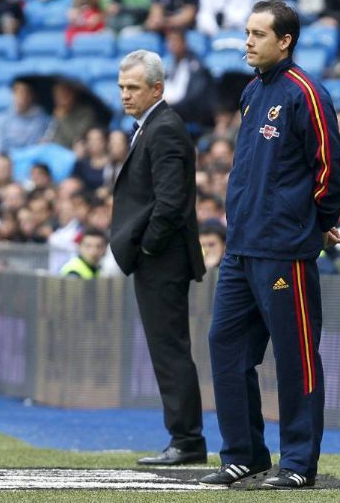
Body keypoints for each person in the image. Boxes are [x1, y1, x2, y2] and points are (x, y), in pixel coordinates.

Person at [200, 0, 340, 489]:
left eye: (257, 34)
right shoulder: (250, 92)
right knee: (225, 345)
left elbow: (331, 171)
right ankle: (244, 454)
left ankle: (299, 463)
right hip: (241, 247)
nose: (247, 42)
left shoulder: (307, 93)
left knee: (295, 355)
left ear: (284, 40)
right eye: (246, 33)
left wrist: (316, 224)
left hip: (285, 250)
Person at [111, 50, 207, 466]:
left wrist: (147, 248)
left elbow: (170, 203)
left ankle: (186, 440)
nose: (125, 96)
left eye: (133, 88)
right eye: (121, 88)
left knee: (169, 350)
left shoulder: (164, 129)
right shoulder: (153, 127)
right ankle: (184, 437)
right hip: (158, 258)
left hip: (162, 259)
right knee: (167, 348)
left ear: (157, 88)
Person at [0, 80, 50, 153]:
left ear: (32, 96)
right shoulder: (4, 119)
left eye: (24, 93)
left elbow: (42, 145)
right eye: (17, 93)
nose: (21, 97)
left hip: (33, 159)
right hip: (9, 161)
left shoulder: (42, 119)